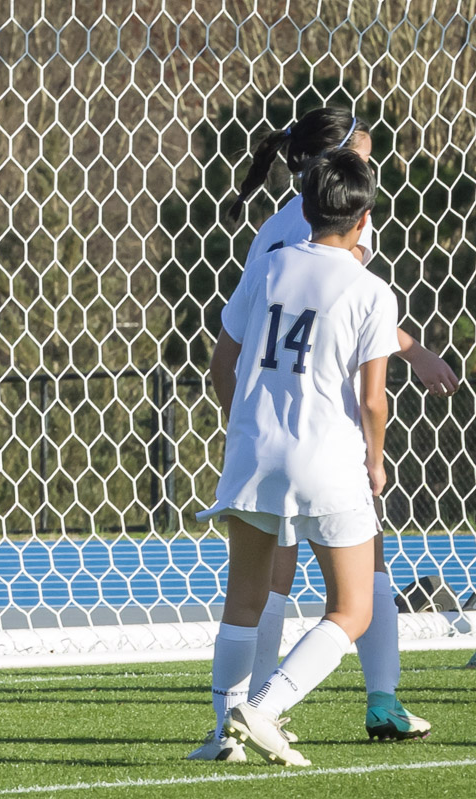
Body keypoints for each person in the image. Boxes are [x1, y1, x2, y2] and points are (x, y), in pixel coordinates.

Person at [188, 109, 453, 762]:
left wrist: (247, 424)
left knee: (253, 591)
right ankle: (264, 707)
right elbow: (368, 378)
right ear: (333, 180)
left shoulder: (278, 254)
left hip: (260, 447)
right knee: (345, 596)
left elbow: (230, 351)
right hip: (327, 447)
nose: (370, 167)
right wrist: (377, 455)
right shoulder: (326, 253)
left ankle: (245, 719)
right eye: (361, 159)